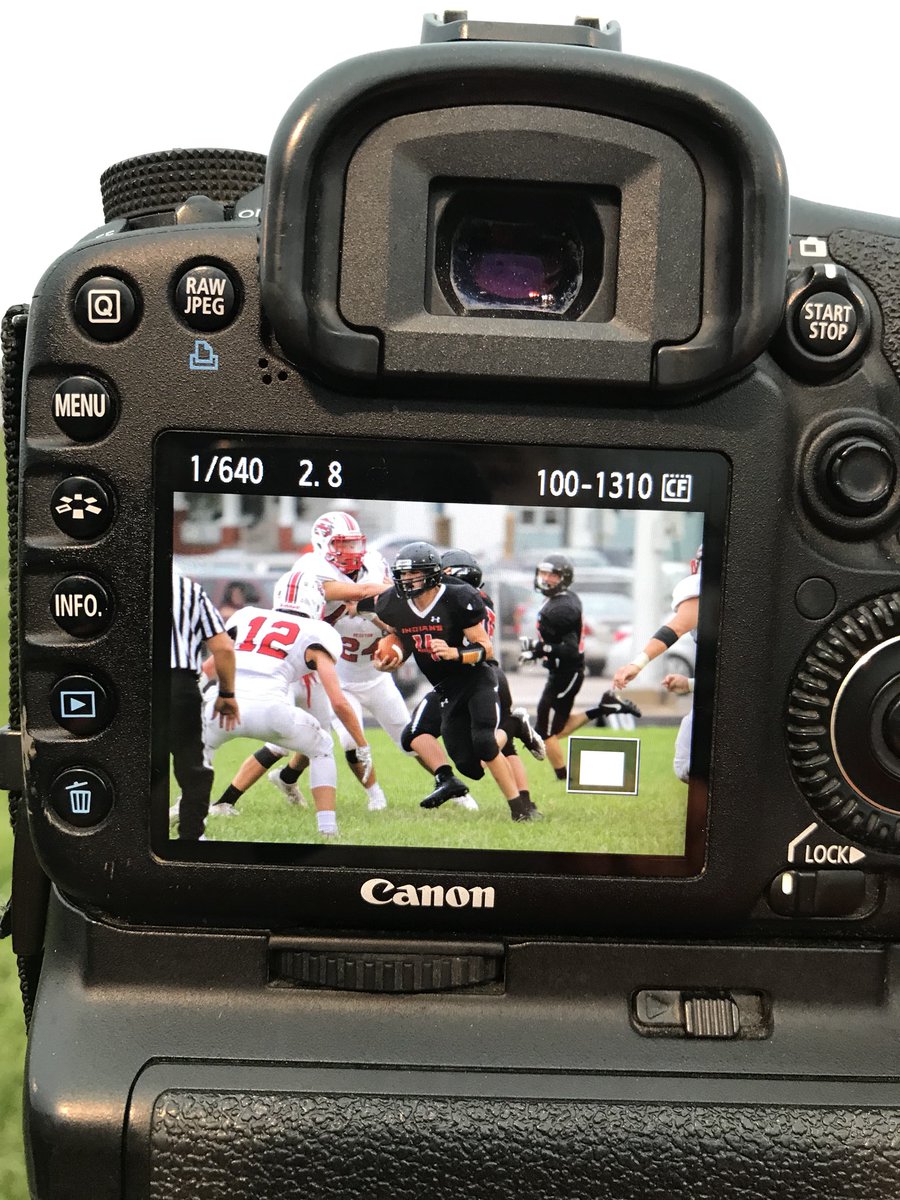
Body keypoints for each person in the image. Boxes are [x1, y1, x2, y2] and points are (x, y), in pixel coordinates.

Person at [368, 542, 538, 821]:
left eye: (414, 574)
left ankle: (519, 809)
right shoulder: (394, 603)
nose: (407, 580)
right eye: (403, 574)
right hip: (445, 688)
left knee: (485, 744)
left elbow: (487, 649)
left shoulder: (459, 598)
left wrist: (455, 653)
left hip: (477, 678)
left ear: (433, 574)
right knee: (470, 767)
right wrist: (390, 658)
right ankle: (505, 733)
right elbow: (402, 636)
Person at [203, 574, 373, 838]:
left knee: (200, 750)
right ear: (314, 599)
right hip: (271, 711)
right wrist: (362, 744)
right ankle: (327, 828)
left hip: (223, 706)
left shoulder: (245, 616)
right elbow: (338, 701)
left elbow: (208, 669)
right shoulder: (319, 632)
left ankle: (186, 808)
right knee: (322, 747)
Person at [522, 554, 639, 782]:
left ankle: (565, 779)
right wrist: (537, 652)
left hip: (567, 674)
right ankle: (605, 708)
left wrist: (538, 647)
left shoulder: (562, 607)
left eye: (553, 575)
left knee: (546, 732)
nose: (546, 578)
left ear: (564, 578)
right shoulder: (560, 600)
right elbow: (558, 642)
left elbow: (570, 650)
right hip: (561, 672)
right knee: (555, 729)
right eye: (543, 573)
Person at [613, 546, 702, 783]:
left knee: (688, 765)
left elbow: (675, 628)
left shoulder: (702, 589)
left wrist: (637, 664)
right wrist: (690, 684)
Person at [169, 567, 240, 840]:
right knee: (192, 766)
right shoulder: (190, 590)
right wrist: (227, 694)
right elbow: (223, 647)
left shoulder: (121, 583)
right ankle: (191, 836)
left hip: (130, 683)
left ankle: (129, 833)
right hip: (178, 683)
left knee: (131, 761)